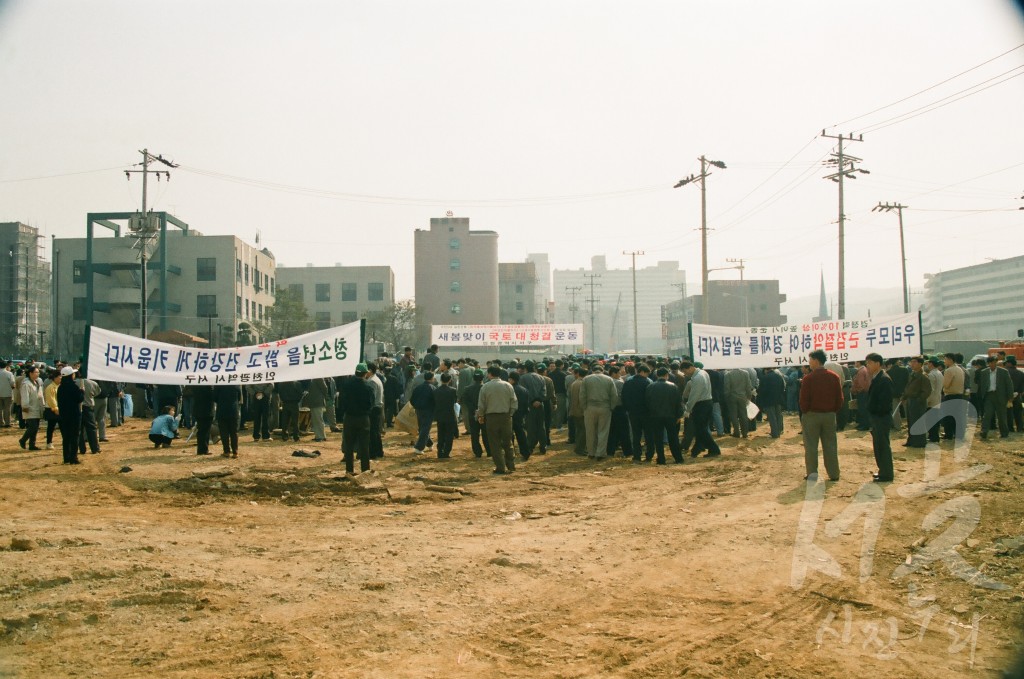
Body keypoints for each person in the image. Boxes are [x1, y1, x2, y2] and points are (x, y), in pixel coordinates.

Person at [799, 350, 843, 482]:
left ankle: (812, 474)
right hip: (829, 415)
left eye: (810, 359)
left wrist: (805, 411)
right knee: (830, 445)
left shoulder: (808, 378)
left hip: (812, 415)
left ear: (816, 360)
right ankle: (834, 474)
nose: (809, 362)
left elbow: (803, 400)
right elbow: (840, 398)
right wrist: (833, 410)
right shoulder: (834, 377)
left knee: (811, 446)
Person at [476, 365, 517, 474]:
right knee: (508, 442)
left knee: (494, 443)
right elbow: (514, 402)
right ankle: (511, 465)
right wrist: (510, 414)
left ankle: (500, 467)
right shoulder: (508, 385)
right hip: (506, 416)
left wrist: (481, 416)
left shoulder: (485, 387)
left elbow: (481, 405)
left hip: (491, 417)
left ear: (489, 374)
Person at [864, 353, 895, 482]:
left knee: (882, 446)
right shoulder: (877, 377)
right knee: (878, 446)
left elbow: (884, 402)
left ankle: (886, 474)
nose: (868, 366)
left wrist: (873, 411)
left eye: (869, 363)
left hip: (881, 417)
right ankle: (883, 470)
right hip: (877, 417)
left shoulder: (884, 379)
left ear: (877, 363)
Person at [338, 369, 374, 474]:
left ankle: (349, 470)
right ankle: (365, 470)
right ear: (365, 373)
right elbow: (371, 403)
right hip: (363, 418)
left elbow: (341, 401)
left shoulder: (347, 385)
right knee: (364, 446)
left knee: (349, 445)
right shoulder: (368, 386)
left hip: (349, 417)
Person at [681, 361, 720, 459]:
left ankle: (714, 449)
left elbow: (694, 395)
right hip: (707, 402)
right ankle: (697, 449)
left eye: (685, 371)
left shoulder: (698, 378)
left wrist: (688, 409)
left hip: (701, 405)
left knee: (701, 430)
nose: (685, 374)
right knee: (701, 429)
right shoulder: (703, 373)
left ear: (690, 367)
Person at [645, 367, 683, 464]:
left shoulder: (650, 386)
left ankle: (661, 459)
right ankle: (678, 458)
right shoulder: (673, 386)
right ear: (667, 375)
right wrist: (679, 415)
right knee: (673, 437)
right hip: (671, 416)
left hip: (655, 416)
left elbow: (647, 402)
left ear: (657, 375)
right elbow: (678, 402)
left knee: (658, 438)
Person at [580, 364, 618, 459]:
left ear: (593, 370)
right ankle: (600, 453)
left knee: (590, 431)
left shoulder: (586, 379)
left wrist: (584, 407)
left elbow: (582, 395)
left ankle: (591, 452)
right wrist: (611, 407)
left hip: (590, 407)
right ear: (602, 370)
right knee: (603, 431)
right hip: (605, 407)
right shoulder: (609, 379)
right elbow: (614, 395)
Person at [621, 363, 653, 462]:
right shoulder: (648, 382)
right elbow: (651, 398)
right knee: (649, 435)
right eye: (647, 373)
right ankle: (649, 455)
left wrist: (627, 409)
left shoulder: (628, 382)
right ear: (642, 372)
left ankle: (637, 456)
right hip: (646, 413)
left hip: (633, 413)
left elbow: (624, 397)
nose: (647, 376)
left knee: (636, 435)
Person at [977, 355, 1012, 440]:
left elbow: (1009, 385)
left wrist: (1010, 398)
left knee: (1001, 416)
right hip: (988, 396)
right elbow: (982, 385)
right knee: (987, 415)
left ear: (996, 362)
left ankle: (1004, 433)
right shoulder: (984, 372)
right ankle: (984, 431)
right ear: (988, 363)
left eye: (994, 362)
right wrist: (982, 396)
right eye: (990, 362)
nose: (992, 364)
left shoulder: (1003, 372)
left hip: (1000, 396)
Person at [901, 356, 932, 448]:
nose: (912, 364)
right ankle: (911, 440)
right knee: (911, 421)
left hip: (918, 402)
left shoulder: (923, 376)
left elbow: (927, 391)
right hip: (910, 400)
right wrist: (904, 396)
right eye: (911, 362)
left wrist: (919, 399)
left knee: (918, 421)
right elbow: (908, 387)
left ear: (920, 364)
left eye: (914, 362)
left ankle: (919, 442)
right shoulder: (912, 374)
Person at [460, 369, 490, 457]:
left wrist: (473, 410)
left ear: (473, 378)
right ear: (483, 377)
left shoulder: (468, 389)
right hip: (485, 414)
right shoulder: (486, 388)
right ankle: (489, 450)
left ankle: (477, 452)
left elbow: (465, 400)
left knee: (474, 434)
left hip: (472, 414)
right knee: (486, 434)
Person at [940, 353, 967, 441]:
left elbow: (946, 385)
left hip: (950, 395)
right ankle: (959, 434)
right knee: (958, 416)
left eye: (945, 359)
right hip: (959, 395)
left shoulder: (949, 370)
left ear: (950, 360)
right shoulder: (960, 369)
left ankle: (949, 434)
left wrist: (943, 387)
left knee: (948, 417)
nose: (944, 361)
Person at [76, 368, 103, 455]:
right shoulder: (93, 383)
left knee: (79, 429)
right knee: (91, 429)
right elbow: (98, 392)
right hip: (88, 408)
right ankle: (95, 448)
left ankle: (82, 449)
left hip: (77, 408)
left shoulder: (74, 383)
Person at [18, 364, 44, 451]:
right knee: (33, 427)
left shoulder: (37, 383)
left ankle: (32, 445)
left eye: (38, 372)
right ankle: (23, 440)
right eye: (36, 372)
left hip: (37, 407)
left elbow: (40, 395)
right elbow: (25, 396)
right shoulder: (26, 384)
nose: (38, 374)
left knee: (35, 428)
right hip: (29, 408)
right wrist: (25, 407)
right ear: (30, 373)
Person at [410, 370, 437, 453]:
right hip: (428, 411)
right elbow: (435, 400)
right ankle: (419, 447)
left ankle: (429, 444)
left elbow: (412, 399)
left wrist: (416, 406)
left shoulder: (418, 387)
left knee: (422, 428)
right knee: (425, 428)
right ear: (432, 379)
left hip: (418, 410)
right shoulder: (433, 388)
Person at [433, 372, 458, 459]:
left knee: (441, 434)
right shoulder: (453, 390)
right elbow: (455, 401)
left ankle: (440, 451)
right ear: (449, 380)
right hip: (450, 415)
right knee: (449, 435)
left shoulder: (436, 390)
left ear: (441, 380)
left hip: (439, 415)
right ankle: (447, 452)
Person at [724, 368, 753, 438]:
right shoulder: (745, 373)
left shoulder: (728, 374)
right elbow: (748, 386)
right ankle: (745, 433)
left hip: (732, 397)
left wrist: (726, 397)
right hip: (743, 397)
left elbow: (727, 387)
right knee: (743, 415)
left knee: (733, 416)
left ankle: (736, 432)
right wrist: (749, 396)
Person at [214, 383, 241, 458]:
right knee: (234, 432)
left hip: (222, 410)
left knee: (224, 432)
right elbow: (239, 397)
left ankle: (226, 451)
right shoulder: (236, 384)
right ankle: (235, 452)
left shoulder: (218, 384)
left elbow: (214, 398)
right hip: (233, 410)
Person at [759, 366, 786, 438]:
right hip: (778, 399)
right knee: (778, 415)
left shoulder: (764, 378)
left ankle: (774, 433)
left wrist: (762, 400)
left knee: (772, 417)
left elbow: (762, 390)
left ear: (765, 370)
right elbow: (783, 387)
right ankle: (779, 430)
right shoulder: (779, 376)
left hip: (768, 400)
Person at [192, 384, 215, 455]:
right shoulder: (209, 388)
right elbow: (213, 397)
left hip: (198, 410)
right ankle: (204, 449)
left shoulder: (195, 386)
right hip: (207, 411)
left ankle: (200, 449)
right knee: (206, 431)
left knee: (201, 431)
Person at [42, 369, 62, 450]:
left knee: (63, 427)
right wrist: (55, 408)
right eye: (60, 377)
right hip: (52, 409)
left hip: (59, 409)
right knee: (51, 427)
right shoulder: (50, 387)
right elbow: (51, 399)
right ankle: (49, 442)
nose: (61, 379)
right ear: (55, 378)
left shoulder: (60, 386)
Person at [305, 377, 330, 443]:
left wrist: (323, 397)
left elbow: (325, 388)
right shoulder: (313, 378)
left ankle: (321, 436)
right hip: (314, 402)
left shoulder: (318, 378)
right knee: (315, 420)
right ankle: (318, 435)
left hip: (317, 402)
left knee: (318, 419)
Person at [1006, 356, 1024, 433]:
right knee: (1018, 413)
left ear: (1009, 363)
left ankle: (1010, 428)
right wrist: (1019, 392)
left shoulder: (1005, 372)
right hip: (1017, 395)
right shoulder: (1021, 373)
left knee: (1008, 412)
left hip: (1007, 395)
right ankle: (1020, 427)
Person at [0, 360, 14, 428]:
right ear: (6, 366)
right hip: (7, 393)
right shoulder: (9, 374)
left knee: (0, 409)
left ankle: (1, 422)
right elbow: (12, 383)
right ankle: (7, 423)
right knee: (7, 409)